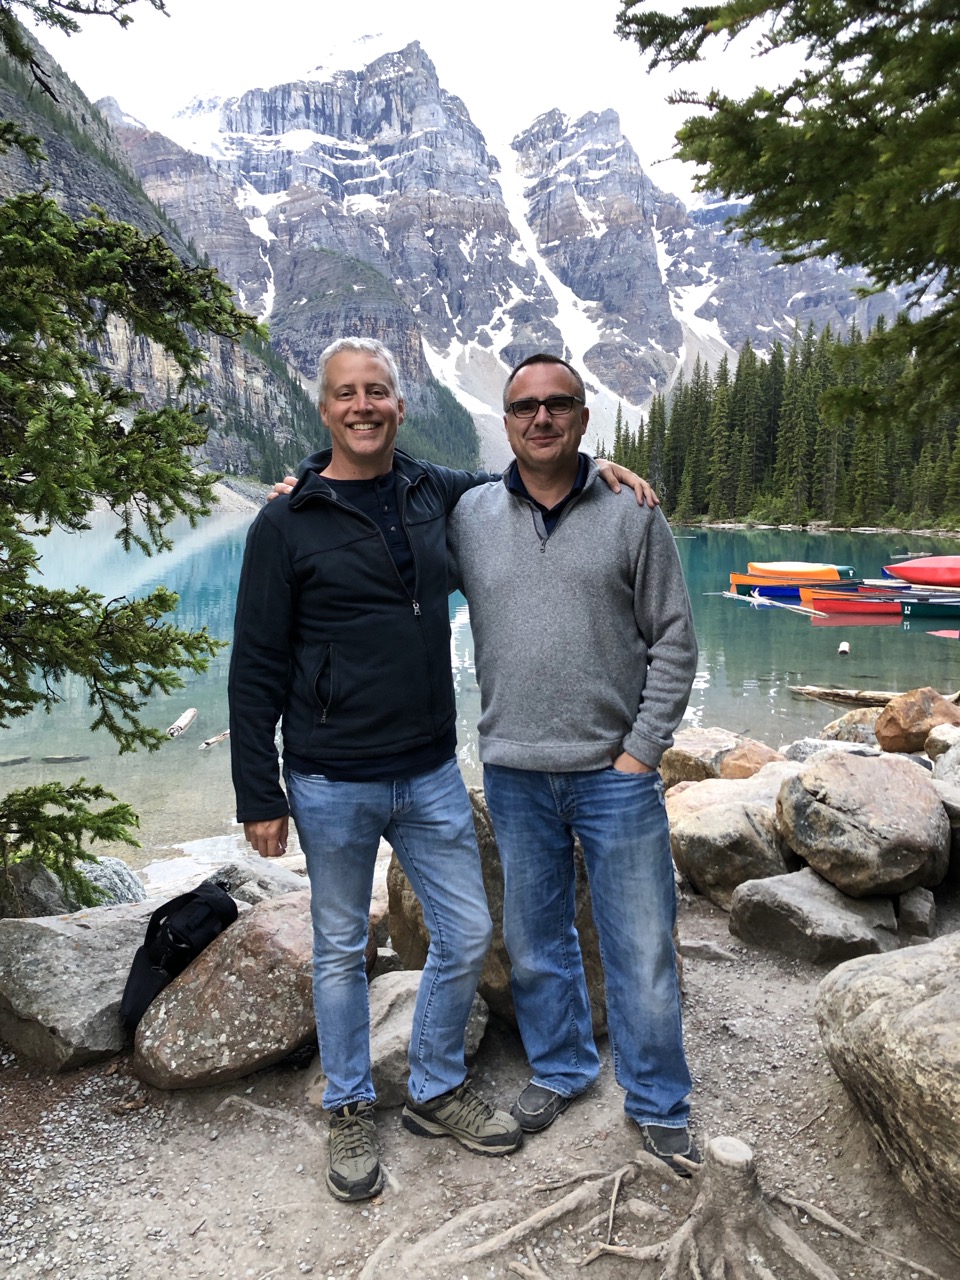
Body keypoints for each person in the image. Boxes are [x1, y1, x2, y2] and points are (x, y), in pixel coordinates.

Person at [231, 338, 649, 1204]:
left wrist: (601, 465)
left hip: (426, 771)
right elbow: (256, 663)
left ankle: (431, 1087)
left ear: (399, 402)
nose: (363, 406)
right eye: (346, 394)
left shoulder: (437, 492)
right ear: (325, 410)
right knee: (342, 950)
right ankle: (348, 1105)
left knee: (464, 933)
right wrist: (257, 791)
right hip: (329, 777)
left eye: (377, 391)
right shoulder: (285, 521)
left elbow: (536, 479)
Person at [447, 353, 701, 1175]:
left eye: (559, 405)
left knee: (643, 943)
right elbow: (378, 470)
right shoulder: (472, 513)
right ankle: (561, 1069)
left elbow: (673, 641)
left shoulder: (631, 513)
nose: (541, 419)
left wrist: (641, 752)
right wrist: (302, 476)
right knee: (536, 939)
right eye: (525, 406)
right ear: (509, 419)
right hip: (516, 772)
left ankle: (660, 1100)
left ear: (584, 419)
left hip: (613, 776)